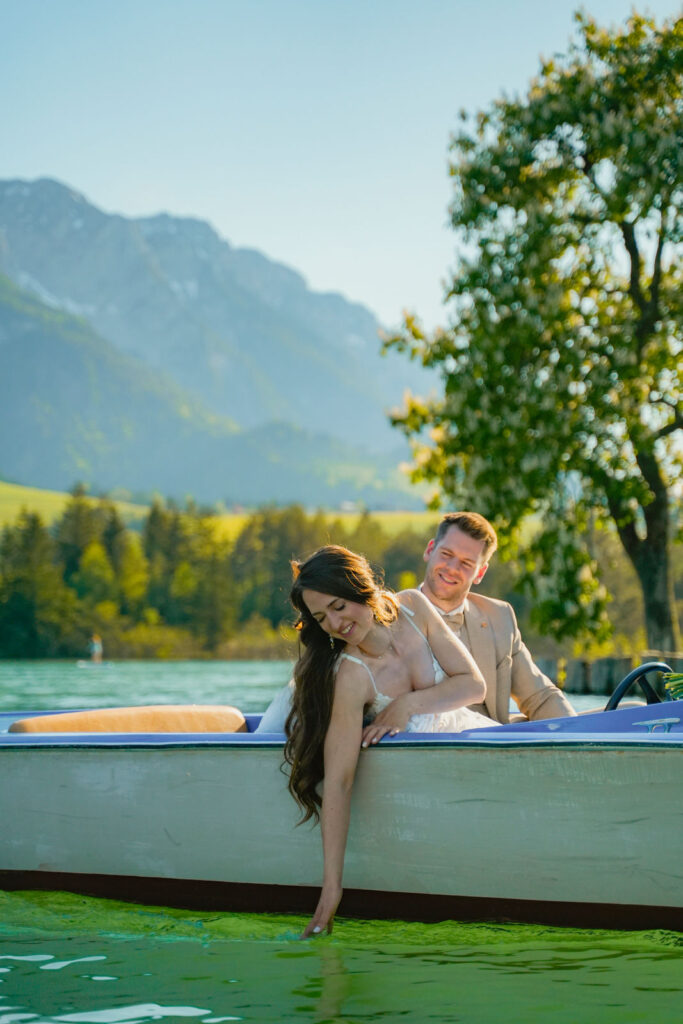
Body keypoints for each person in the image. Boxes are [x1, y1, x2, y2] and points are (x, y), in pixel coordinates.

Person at [283, 545, 496, 937]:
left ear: (359, 587)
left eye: (338, 606)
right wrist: (331, 891)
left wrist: (406, 706)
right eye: (320, 617)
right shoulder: (350, 676)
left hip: (472, 740)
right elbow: (341, 779)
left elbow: (473, 685)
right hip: (435, 784)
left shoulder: (414, 607)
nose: (334, 623)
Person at [421, 511, 575, 722]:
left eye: (466, 563)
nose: (452, 568)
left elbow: (539, 697)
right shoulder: (389, 617)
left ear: (480, 573)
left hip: (494, 745)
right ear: (430, 550)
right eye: (446, 554)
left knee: (631, 708)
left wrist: (577, 738)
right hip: (420, 747)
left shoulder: (499, 618)